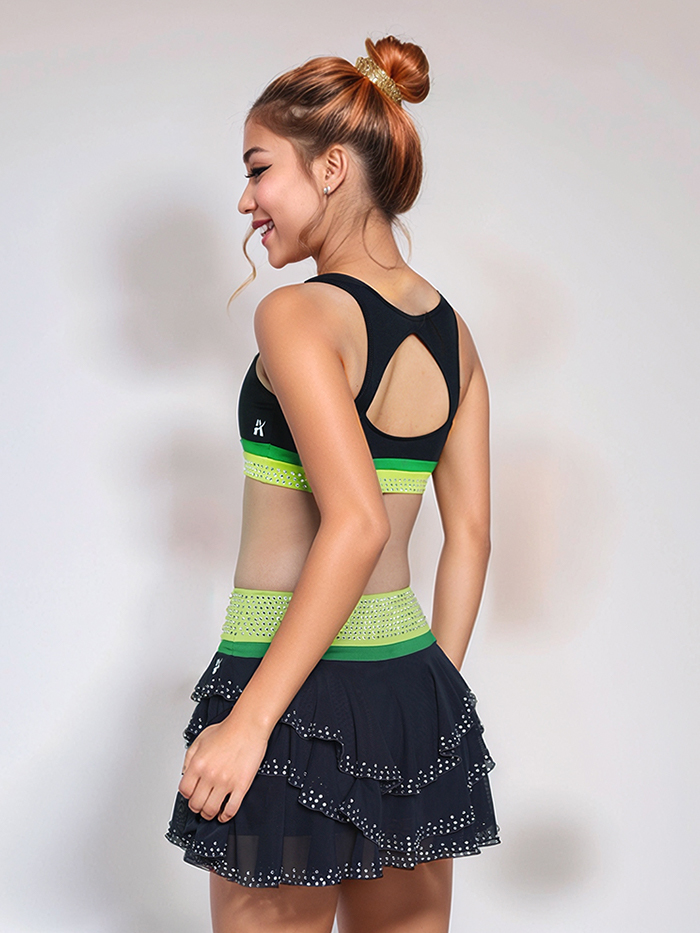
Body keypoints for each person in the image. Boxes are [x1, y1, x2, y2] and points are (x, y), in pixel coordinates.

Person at [166, 34, 500, 933]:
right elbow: (471, 537)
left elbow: (354, 523)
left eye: (259, 168)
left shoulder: (298, 313)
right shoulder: (455, 333)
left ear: (331, 168)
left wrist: (249, 723)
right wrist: (431, 704)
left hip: (285, 690)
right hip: (413, 689)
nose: (246, 200)